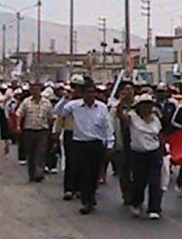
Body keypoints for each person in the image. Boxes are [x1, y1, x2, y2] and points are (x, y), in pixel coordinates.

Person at [55, 77, 115, 214]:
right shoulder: (74, 105)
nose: (90, 95)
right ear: (82, 94)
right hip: (80, 144)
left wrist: (110, 143)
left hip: (96, 144)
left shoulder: (101, 107)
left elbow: (107, 126)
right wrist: (65, 98)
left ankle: (91, 196)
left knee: (94, 173)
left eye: (92, 92)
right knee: (84, 172)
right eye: (87, 92)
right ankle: (86, 201)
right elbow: (58, 112)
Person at [125, 93, 165, 219]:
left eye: (149, 104)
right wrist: (122, 101)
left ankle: (154, 208)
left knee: (155, 181)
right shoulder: (132, 117)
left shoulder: (156, 119)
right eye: (145, 104)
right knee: (139, 181)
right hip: (138, 153)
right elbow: (121, 116)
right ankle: (136, 203)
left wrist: (163, 150)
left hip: (153, 153)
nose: (147, 107)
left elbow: (160, 135)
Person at [16, 82, 55, 182]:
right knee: (31, 153)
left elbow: (51, 117)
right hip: (29, 131)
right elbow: (19, 114)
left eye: (37, 89)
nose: (35, 91)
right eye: (33, 89)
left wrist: (52, 130)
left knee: (41, 152)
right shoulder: (26, 102)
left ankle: (39, 173)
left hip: (42, 131)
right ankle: (32, 173)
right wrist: (18, 126)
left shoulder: (46, 103)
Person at [109, 81, 136, 205]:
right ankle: (127, 193)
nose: (129, 92)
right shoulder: (115, 108)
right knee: (124, 170)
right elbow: (112, 123)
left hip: (136, 143)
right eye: (126, 89)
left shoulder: (138, 106)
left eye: (131, 89)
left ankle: (136, 193)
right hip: (122, 143)